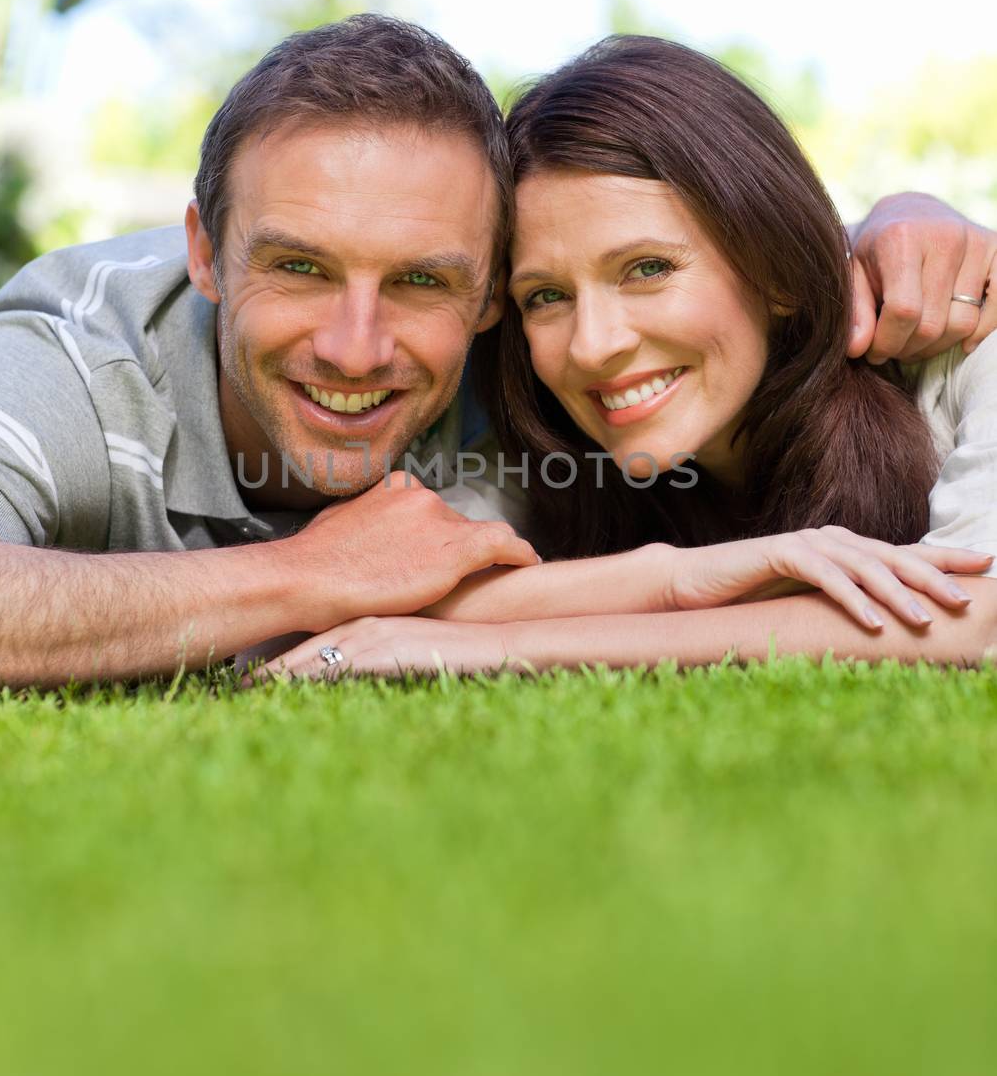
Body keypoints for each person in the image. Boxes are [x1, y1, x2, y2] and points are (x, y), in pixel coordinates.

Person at [0, 18, 990, 689]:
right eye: (298, 266)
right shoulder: (79, 355)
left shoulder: (539, 376)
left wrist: (896, 218)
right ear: (204, 250)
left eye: (422, 280)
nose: (355, 347)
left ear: (477, 293)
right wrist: (310, 576)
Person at [273, 36, 997, 679]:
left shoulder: (969, 347)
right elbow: (392, 588)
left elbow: (975, 614)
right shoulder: (547, 449)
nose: (593, 346)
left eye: (647, 269)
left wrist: (505, 649)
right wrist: (676, 578)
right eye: (546, 296)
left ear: (775, 268)